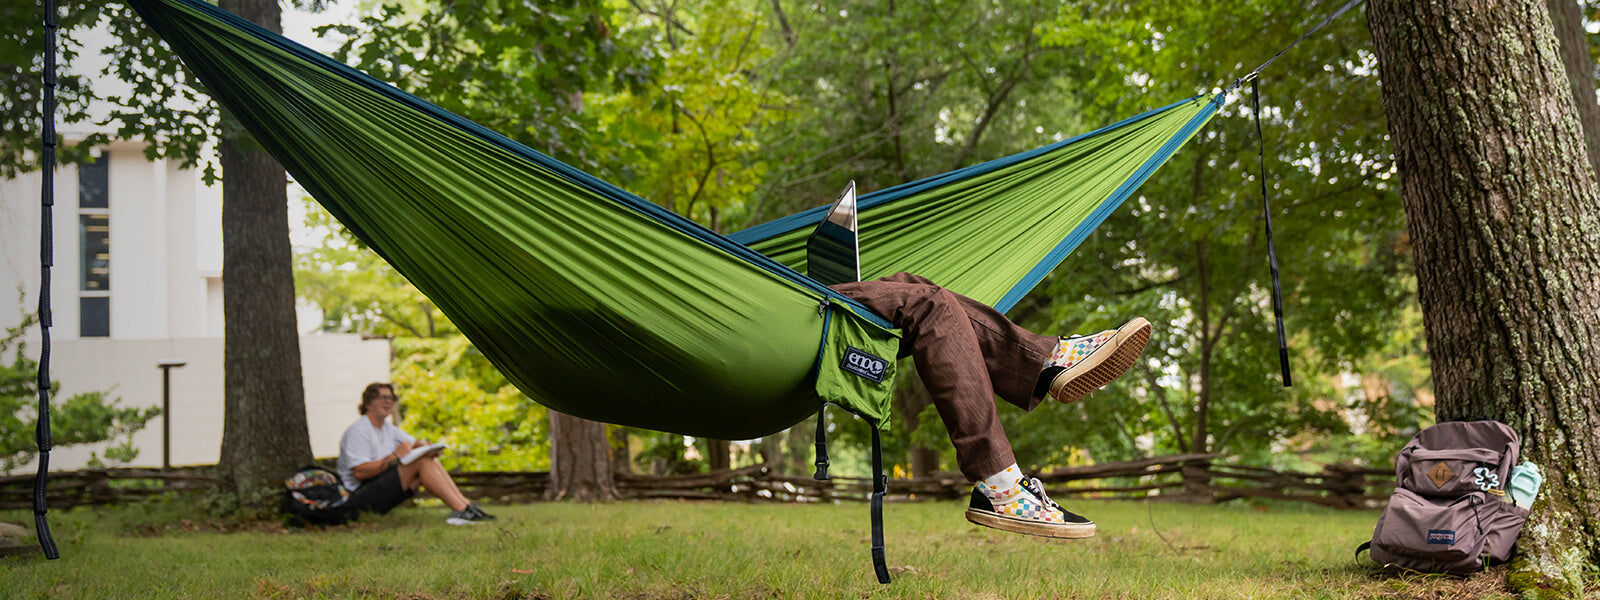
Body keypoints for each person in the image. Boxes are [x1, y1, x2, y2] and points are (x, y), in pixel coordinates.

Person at [831, 272, 1151, 539]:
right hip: (797, 305)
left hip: (803, 296)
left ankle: (1049, 361)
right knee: (931, 305)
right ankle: (1001, 487)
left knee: (912, 283)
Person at [336, 382, 496, 525]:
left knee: (427, 459)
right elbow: (359, 472)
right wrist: (394, 457)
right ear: (368, 403)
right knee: (421, 462)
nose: (388, 401)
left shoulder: (387, 428)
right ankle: (462, 510)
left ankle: (466, 506)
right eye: (382, 397)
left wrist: (427, 447)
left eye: (391, 398)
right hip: (357, 497)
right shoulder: (359, 431)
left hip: (377, 489)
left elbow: (414, 442)